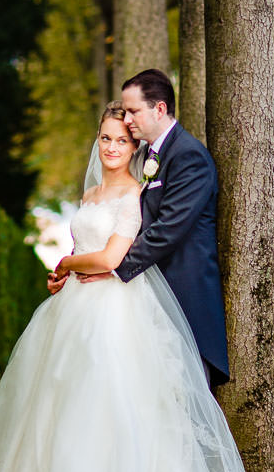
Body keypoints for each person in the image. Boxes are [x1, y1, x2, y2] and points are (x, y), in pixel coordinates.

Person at [0, 102, 262, 472]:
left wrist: (66, 263)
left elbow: (109, 260)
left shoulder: (136, 195)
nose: (112, 147)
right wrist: (60, 276)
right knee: (58, 402)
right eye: (105, 138)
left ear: (135, 145)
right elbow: (83, 249)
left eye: (121, 139)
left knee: (109, 402)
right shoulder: (90, 196)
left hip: (118, 309)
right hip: (72, 310)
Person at [50, 69, 227, 389]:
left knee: (180, 397)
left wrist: (113, 266)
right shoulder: (147, 154)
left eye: (133, 111)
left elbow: (169, 229)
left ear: (159, 109)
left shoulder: (188, 156)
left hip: (185, 294)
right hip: (149, 293)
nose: (128, 119)